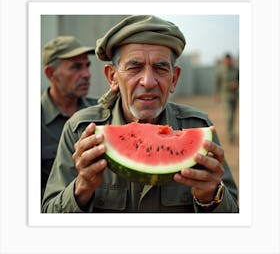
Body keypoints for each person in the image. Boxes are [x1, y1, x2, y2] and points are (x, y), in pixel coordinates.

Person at [42, 15, 239, 213]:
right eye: (134, 67)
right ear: (113, 77)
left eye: (161, 68)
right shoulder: (81, 130)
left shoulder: (199, 126)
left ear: (174, 79)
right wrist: (81, 189)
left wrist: (212, 197)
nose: (148, 81)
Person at [41, 36, 98, 200]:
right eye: (76, 67)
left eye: (87, 66)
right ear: (51, 74)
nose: (87, 74)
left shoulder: (100, 112)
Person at [215, 53, 239, 144]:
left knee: (233, 115)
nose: (228, 61)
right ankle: (230, 135)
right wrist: (216, 94)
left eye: (229, 60)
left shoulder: (236, 69)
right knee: (229, 114)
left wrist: (236, 83)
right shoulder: (220, 70)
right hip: (225, 96)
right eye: (226, 60)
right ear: (224, 60)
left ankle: (231, 130)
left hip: (234, 96)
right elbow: (217, 83)